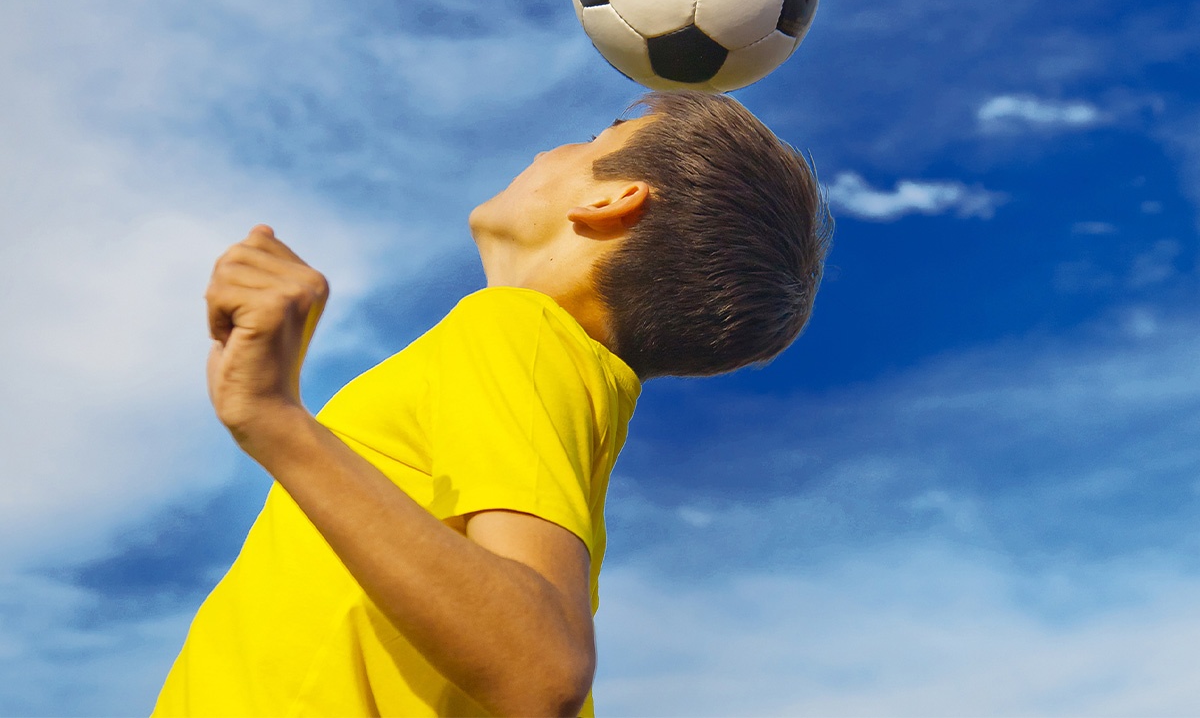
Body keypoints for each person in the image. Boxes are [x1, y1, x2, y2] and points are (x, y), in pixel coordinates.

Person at [153, 90, 832, 718]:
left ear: (613, 200)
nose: (547, 152)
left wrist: (275, 420)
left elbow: (541, 666)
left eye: (594, 139)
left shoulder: (520, 332)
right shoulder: (567, 379)